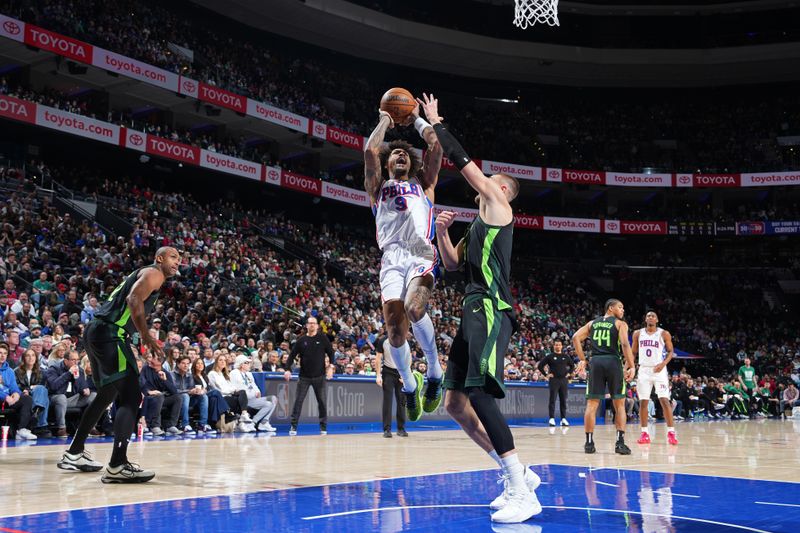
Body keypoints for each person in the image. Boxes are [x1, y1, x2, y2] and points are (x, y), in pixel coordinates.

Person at [421, 93, 540, 524]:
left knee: (479, 392)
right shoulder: (478, 228)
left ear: (504, 190)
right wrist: (440, 233)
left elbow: (464, 163)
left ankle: (523, 490)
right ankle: (517, 475)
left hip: (492, 307)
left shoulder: (500, 207)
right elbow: (452, 265)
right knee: (454, 403)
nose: (486, 180)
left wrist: (436, 124)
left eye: (493, 179)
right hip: (472, 306)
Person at [57, 246, 181, 483]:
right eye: (173, 257)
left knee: (107, 395)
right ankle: (117, 464)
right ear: (160, 258)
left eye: (180, 259)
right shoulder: (154, 273)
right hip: (111, 333)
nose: (178, 262)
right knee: (132, 397)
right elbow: (133, 298)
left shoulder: (144, 274)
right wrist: (145, 336)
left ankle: (74, 452)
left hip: (98, 331)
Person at [363, 98, 444, 422]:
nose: (398, 154)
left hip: (421, 251)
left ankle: (435, 372)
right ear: (387, 163)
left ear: (411, 162)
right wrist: (385, 118)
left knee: (415, 307)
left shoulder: (424, 184)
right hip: (392, 258)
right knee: (395, 331)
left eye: (403, 153)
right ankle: (411, 386)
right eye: (393, 152)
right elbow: (370, 151)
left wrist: (418, 121)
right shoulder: (377, 187)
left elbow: (436, 146)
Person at [572, 299, 636, 456]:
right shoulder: (620, 324)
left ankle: (589, 443)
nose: (622, 311)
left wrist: (582, 359)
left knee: (592, 405)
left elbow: (575, 338)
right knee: (620, 405)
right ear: (611, 308)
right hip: (613, 362)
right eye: (620, 307)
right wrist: (632, 365)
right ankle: (620, 443)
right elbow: (625, 344)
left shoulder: (592, 323)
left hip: (596, 362)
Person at [633, 311, 678, 445]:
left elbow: (671, 352)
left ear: (657, 319)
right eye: (648, 316)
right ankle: (644, 433)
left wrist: (663, 363)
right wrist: (628, 367)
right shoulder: (637, 333)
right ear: (645, 319)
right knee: (643, 402)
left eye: (653, 316)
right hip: (644, 370)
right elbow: (633, 352)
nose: (650, 317)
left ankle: (671, 433)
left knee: (665, 400)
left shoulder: (664, 333)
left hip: (659, 370)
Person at [284, 317, 334, 436]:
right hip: (304, 377)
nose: (312, 325)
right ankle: (293, 426)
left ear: (317, 326)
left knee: (322, 402)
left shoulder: (322, 338)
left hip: (320, 376)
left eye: (314, 323)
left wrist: (331, 367)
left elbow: (331, 352)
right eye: (310, 323)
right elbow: (291, 356)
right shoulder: (301, 340)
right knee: (298, 401)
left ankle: (323, 427)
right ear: (306, 325)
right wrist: (287, 369)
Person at [46, 349, 96, 437]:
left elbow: (83, 388)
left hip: (72, 399)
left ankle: (90, 427)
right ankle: (62, 429)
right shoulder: (54, 368)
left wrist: (84, 388)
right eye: (73, 360)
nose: (76, 362)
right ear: (66, 360)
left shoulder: (79, 369)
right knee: (61, 398)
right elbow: (54, 386)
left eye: (77, 360)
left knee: (93, 396)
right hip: (55, 398)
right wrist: (68, 373)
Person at [140, 352, 184, 436]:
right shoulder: (145, 369)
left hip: (161, 398)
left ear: (159, 362)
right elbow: (141, 383)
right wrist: (149, 391)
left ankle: (170, 425)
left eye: (153, 358)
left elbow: (174, 391)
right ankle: (155, 426)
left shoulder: (166, 373)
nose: (150, 360)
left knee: (178, 397)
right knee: (159, 396)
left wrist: (165, 380)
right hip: (148, 398)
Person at [207, 354, 254, 433]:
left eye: (224, 360)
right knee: (240, 401)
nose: (223, 362)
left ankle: (243, 415)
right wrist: (232, 390)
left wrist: (233, 390)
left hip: (229, 396)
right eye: (220, 360)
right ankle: (242, 421)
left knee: (242, 392)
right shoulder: (212, 374)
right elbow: (220, 389)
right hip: (221, 398)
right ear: (216, 362)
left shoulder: (225, 374)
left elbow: (232, 386)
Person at [0, 343, 37, 440]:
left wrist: (16, 394)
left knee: (27, 399)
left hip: (9, 400)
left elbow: (14, 387)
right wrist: (5, 397)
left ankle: (21, 430)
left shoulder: (9, 371)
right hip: (3, 399)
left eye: (4, 353)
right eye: (0, 353)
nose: (2, 355)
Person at [230, 355, 277, 432]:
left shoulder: (249, 374)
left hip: (253, 399)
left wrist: (258, 391)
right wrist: (252, 393)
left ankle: (264, 422)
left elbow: (254, 386)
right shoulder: (234, 373)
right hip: (244, 401)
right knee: (268, 404)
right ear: (241, 364)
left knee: (273, 398)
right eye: (247, 363)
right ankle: (253, 423)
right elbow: (240, 388)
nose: (249, 365)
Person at [13, 348, 52, 437]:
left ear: (36, 358)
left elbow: (45, 388)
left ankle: (36, 413)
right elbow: (16, 386)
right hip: (23, 395)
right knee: (42, 393)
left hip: (38, 395)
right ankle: (41, 426)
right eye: (28, 355)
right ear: (23, 358)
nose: (31, 358)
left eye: (33, 355)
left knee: (41, 389)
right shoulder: (16, 371)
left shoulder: (42, 372)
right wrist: (29, 389)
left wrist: (31, 389)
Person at [536, 340, 574, 427]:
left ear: (561, 346)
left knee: (563, 399)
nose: (558, 346)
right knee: (552, 399)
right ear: (554, 346)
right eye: (556, 345)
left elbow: (572, 365)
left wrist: (569, 373)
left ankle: (563, 419)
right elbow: (540, 366)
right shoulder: (550, 356)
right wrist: (546, 375)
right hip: (554, 380)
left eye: (559, 345)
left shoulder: (565, 356)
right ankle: (552, 418)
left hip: (563, 380)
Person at [375, 336, 407, 438]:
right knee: (387, 401)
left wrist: (405, 375)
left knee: (402, 401)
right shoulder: (383, 341)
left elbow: (408, 358)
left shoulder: (404, 340)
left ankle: (401, 429)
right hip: (388, 372)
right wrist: (378, 375)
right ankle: (387, 429)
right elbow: (378, 358)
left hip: (401, 372)